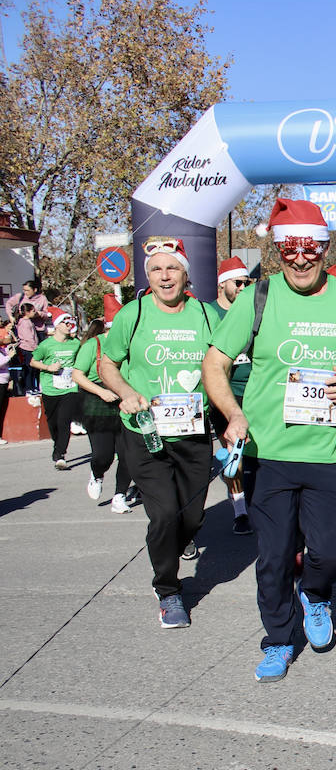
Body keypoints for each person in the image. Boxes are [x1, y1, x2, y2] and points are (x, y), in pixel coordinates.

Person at [203, 200, 336, 682]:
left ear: (324, 247)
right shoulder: (258, 297)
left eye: (310, 247)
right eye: (290, 247)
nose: (301, 257)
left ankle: (316, 593)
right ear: (277, 249)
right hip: (269, 455)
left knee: (330, 552)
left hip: (331, 454)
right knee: (272, 557)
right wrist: (233, 413)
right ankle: (277, 639)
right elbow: (215, 362)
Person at [98, 238, 221, 629]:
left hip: (193, 431)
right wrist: (127, 392)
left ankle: (180, 539)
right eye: (155, 269)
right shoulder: (132, 315)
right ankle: (168, 590)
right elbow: (107, 364)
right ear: (147, 276)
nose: (164, 276)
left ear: (186, 274)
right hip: (145, 432)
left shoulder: (206, 315)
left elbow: (224, 365)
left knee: (192, 516)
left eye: (172, 269)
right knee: (165, 513)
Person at [210, 257, 255, 535]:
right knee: (233, 453)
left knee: (260, 453)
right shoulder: (209, 313)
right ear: (221, 284)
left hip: (256, 393)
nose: (242, 287)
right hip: (226, 396)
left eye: (246, 282)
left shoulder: (252, 309)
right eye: (237, 282)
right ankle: (240, 510)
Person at [71, 319, 131, 508]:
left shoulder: (131, 341)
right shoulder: (93, 345)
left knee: (128, 454)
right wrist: (101, 392)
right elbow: (77, 375)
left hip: (125, 400)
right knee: (103, 454)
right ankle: (97, 475)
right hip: (98, 400)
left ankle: (120, 495)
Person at [30, 311, 82, 469]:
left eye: (70, 323)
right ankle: (57, 446)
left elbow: (80, 361)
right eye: (65, 323)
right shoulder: (46, 345)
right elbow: (33, 361)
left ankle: (60, 455)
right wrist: (48, 367)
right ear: (57, 325)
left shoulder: (75, 343)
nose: (69, 326)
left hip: (70, 387)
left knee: (64, 421)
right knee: (53, 423)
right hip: (50, 389)